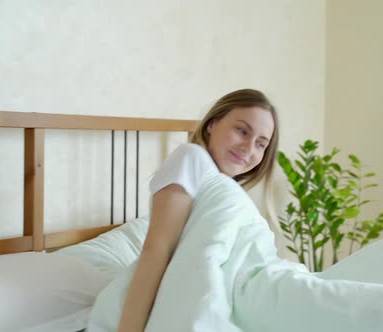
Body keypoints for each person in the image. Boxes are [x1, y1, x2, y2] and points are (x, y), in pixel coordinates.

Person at [117, 89, 280, 332]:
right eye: (242, 131)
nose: (248, 147)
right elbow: (157, 249)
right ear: (212, 124)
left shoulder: (224, 186)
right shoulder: (191, 157)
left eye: (261, 143)